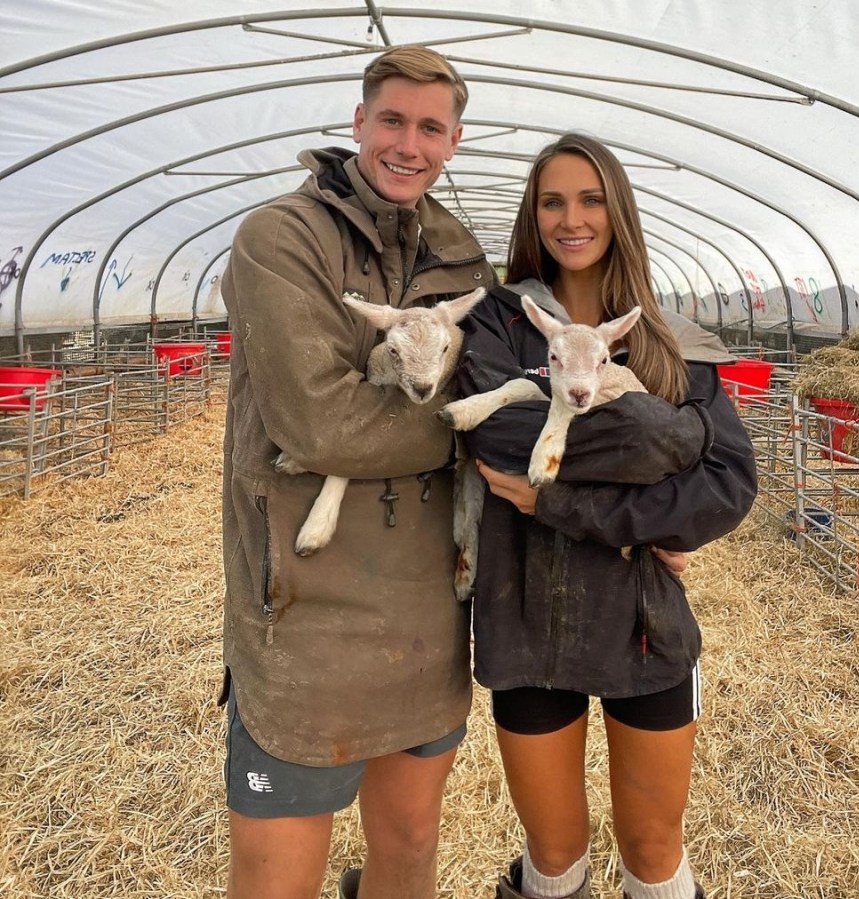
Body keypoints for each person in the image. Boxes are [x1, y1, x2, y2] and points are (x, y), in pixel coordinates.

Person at [217, 46, 497, 899]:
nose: (408, 144)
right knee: (278, 874)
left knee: (409, 843)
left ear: (453, 142)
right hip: (304, 606)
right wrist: (457, 431)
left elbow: (505, 398)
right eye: (392, 121)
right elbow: (321, 421)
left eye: (430, 128)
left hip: (425, 608)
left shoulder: (462, 260)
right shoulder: (280, 238)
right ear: (358, 124)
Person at [454, 133, 758, 899]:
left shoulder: (666, 338)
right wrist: (668, 437)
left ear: (618, 210)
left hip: (644, 617)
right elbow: (498, 434)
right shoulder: (499, 322)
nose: (571, 218)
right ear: (534, 215)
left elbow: (728, 481)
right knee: (553, 855)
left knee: (654, 850)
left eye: (590, 199)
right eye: (552, 201)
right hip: (524, 617)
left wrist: (565, 500)